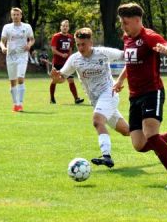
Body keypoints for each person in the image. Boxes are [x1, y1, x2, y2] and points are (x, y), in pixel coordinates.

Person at [113, 2, 167, 189]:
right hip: (134, 96)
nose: (123, 26)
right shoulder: (127, 38)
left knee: (151, 134)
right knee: (140, 145)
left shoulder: (149, 37)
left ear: (136, 20)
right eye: (121, 23)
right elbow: (130, 62)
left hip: (152, 92)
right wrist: (119, 80)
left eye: (125, 22)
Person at [51, 27, 129, 168]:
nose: (80, 47)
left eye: (83, 44)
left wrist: (121, 79)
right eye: (78, 44)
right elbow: (62, 77)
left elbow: (127, 56)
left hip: (109, 93)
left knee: (97, 120)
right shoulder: (74, 59)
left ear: (91, 42)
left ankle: (106, 156)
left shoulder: (103, 53)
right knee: (128, 132)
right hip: (96, 101)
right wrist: (56, 79)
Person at [0, 7, 35, 112]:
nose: (15, 16)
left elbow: (32, 39)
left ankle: (20, 104)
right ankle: (15, 104)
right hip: (10, 57)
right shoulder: (7, 27)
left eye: (17, 14)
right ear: (11, 16)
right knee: (12, 82)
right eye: (13, 15)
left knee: (20, 78)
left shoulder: (27, 26)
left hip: (22, 56)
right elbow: (2, 41)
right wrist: (3, 47)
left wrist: (29, 45)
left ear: (21, 15)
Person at [49, 20, 84, 105]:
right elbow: (53, 50)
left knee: (71, 80)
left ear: (68, 27)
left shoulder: (71, 37)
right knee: (55, 80)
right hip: (57, 62)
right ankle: (52, 98)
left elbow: (70, 50)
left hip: (67, 63)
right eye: (63, 26)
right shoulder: (56, 36)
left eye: (66, 26)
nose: (65, 27)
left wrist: (69, 57)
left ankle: (76, 98)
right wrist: (61, 55)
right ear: (60, 27)